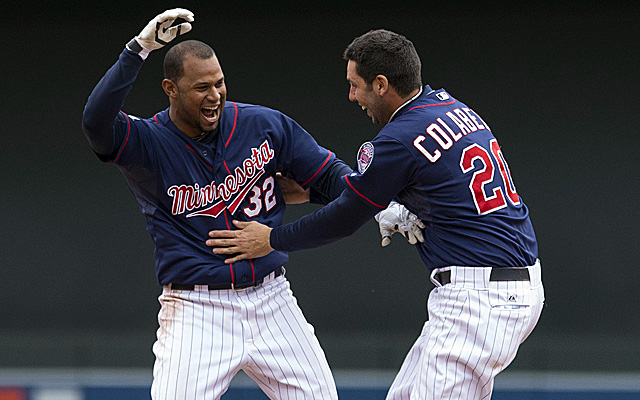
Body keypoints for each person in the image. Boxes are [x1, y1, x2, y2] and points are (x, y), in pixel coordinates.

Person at [81, 9, 424, 399]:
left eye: (220, 83)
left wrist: (379, 203)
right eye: (201, 88)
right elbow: (96, 123)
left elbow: (327, 175)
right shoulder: (149, 141)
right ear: (170, 89)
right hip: (197, 308)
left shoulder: (262, 125)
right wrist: (138, 49)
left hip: (271, 300)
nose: (215, 95)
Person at [207, 29, 545, 400]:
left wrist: (271, 239)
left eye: (356, 85)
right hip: (505, 287)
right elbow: (422, 184)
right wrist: (383, 204)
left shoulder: (396, 139)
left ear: (381, 84)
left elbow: (345, 217)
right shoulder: (450, 106)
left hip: (479, 300)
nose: (352, 95)